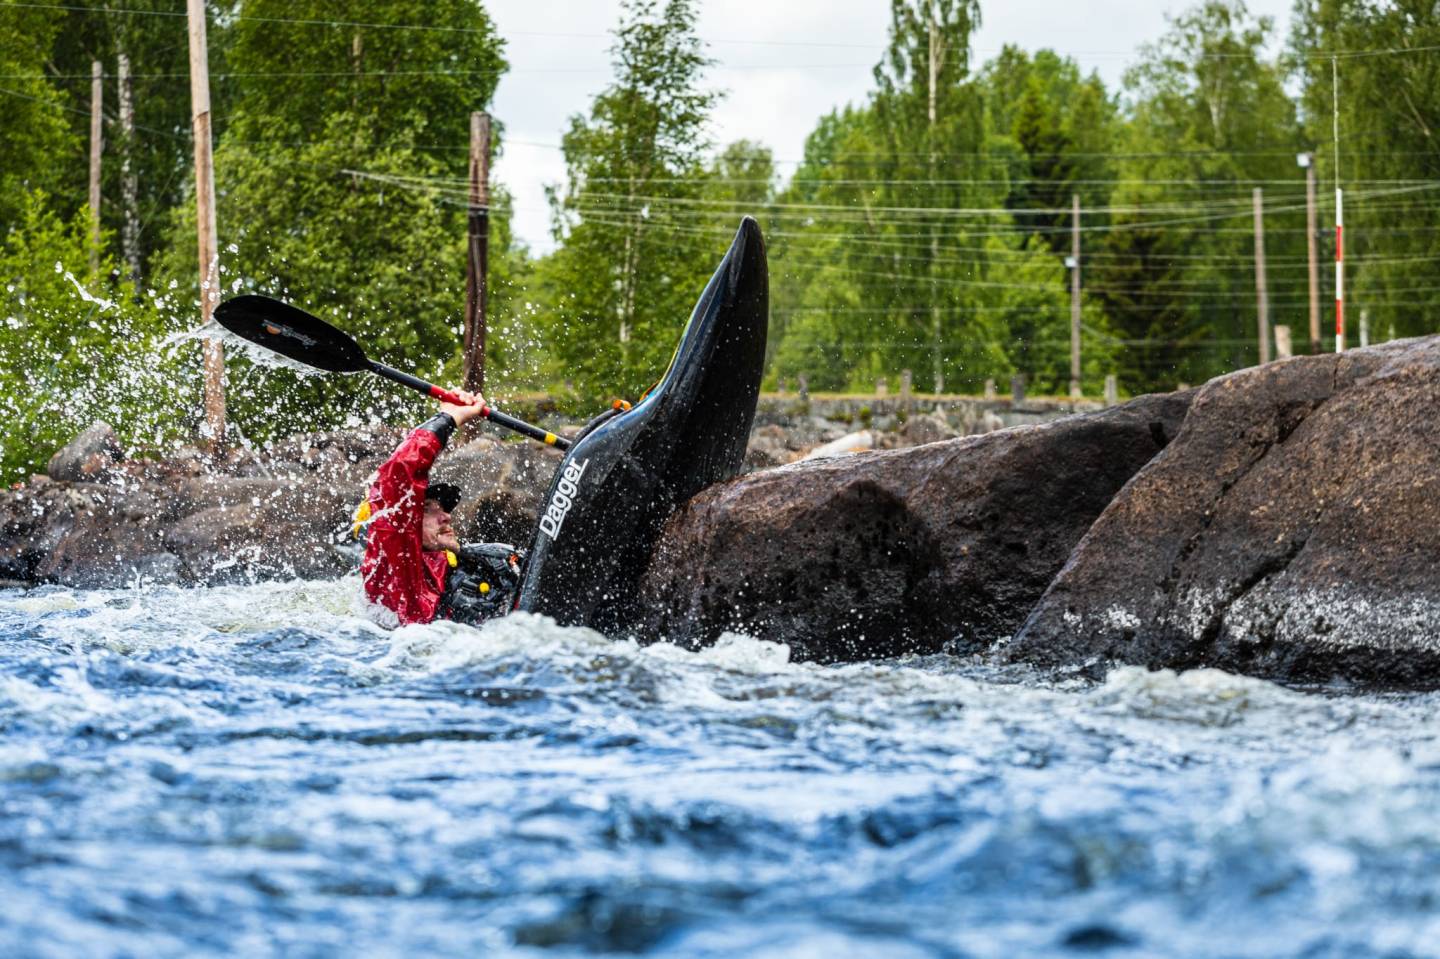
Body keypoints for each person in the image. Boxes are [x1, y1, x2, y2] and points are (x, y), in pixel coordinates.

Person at [360, 390, 524, 627]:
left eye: (443, 508)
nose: (446, 516)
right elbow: (399, 476)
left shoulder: (470, 562)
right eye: (427, 509)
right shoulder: (397, 573)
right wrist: (448, 417)